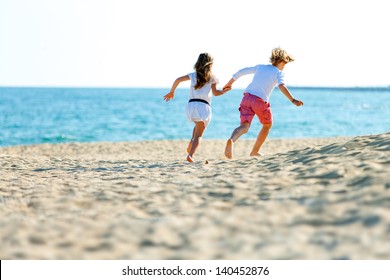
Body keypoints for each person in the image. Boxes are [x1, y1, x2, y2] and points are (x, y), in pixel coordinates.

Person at [222, 47, 304, 159]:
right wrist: (293, 100)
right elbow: (281, 85)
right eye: (285, 64)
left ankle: (232, 140)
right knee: (267, 125)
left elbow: (241, 72)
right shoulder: (278, 73)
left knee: (244, 126)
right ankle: (255, 151)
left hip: (246, 98)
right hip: (259, 101)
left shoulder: (260, 67)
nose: (284, 67)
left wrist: (229, 83)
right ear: (281, 61)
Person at [164, 53, 227, 162]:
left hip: (190, 106)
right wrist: (225, 91)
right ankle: (191, 155)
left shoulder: (193, 75)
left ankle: (191, 142)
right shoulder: (212, 77)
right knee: (199, 135)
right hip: (203, 106)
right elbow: (215, 93)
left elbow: (178, 79)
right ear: (210, 64)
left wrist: (171, 92)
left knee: (197, 126)